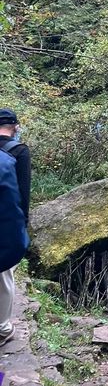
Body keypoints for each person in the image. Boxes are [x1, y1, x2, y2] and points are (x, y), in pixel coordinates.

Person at [0, 108, 31, 346]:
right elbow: (22, 193)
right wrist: (22, 227)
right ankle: (3, 327)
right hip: (5, 222)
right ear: (16, 127)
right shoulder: (19, 151)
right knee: (4, 273)